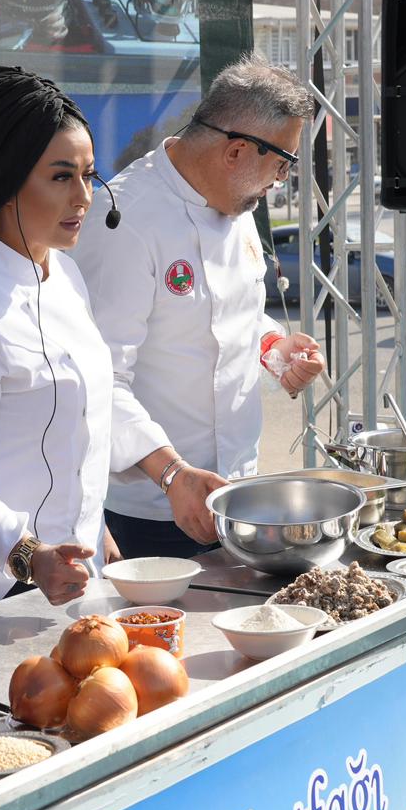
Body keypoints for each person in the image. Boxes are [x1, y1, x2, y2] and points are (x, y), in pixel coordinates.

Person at [72, 55, 327, 560]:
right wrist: (171, 473)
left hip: (236, 492)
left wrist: (278, 350)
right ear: (236, 151)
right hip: (152, 506)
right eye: (282, 165)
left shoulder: (235, 200)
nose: (279, 182)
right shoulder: (126, 219)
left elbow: (237, 319)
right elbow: (100, 380)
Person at [0, 65, 130, 616]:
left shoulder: (64, 272)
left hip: (72, 572)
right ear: (4, 177)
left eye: (89, 174)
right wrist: (27, 554)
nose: (84, 196)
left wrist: (92, 523)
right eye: (61, 176)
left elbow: (80, 426)